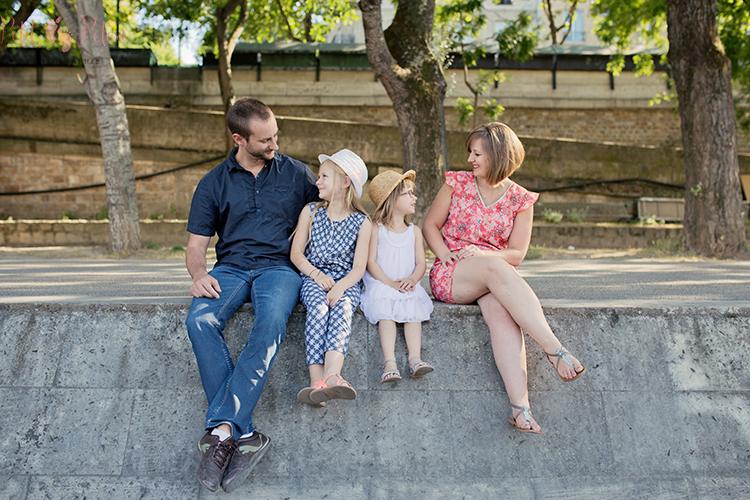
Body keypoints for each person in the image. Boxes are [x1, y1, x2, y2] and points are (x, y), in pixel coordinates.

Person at [184, 97, 319, 492]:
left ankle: (223, 431)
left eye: (276, 135)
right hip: (230, 268)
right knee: (199, 320)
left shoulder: (297, 174)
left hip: (280, 268)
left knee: (271, 322)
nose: (275, 144)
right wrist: (198, 274)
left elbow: (332, 216)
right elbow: (195, 246)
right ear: (238, 139)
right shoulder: (213, 182)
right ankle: (243, 434)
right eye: (265, 140)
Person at [422, 122, 585, 435]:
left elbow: (516, 254)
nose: (470, 158)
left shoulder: (521, 200)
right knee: (496, 270)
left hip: (493, 276)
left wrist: (484, 256)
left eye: (477, 153)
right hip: (453, 273)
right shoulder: (457, 183)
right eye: (470, 152)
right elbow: (430, 224)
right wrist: (444, 254)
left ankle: (520, 409)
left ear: (498, 155)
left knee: (502, 318)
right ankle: (555, 350)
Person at [290, 149, 372, 407]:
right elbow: (297, 254)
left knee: (343, 307)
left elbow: (359, 267)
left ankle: (333, 375)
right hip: (314, 278)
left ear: (345, 181)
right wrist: (316, 275)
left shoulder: (362, 222)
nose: (318, 181)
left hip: (346, 281)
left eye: (325, 176)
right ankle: (317, 382)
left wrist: (341, 287)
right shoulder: (311, 211)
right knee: (317, 307)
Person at [360, 169, 434, 383]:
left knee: (413, 311)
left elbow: (421, 262)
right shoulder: (377, 229)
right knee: (386, 313)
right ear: (392, 199)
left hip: (406, 284)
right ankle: (389, 362)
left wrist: (412, 280)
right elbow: (371, 262)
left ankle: (415, 358)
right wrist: (389, 283)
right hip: (383, 283)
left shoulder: (414, 231)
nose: (415, 197)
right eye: (408, 193)